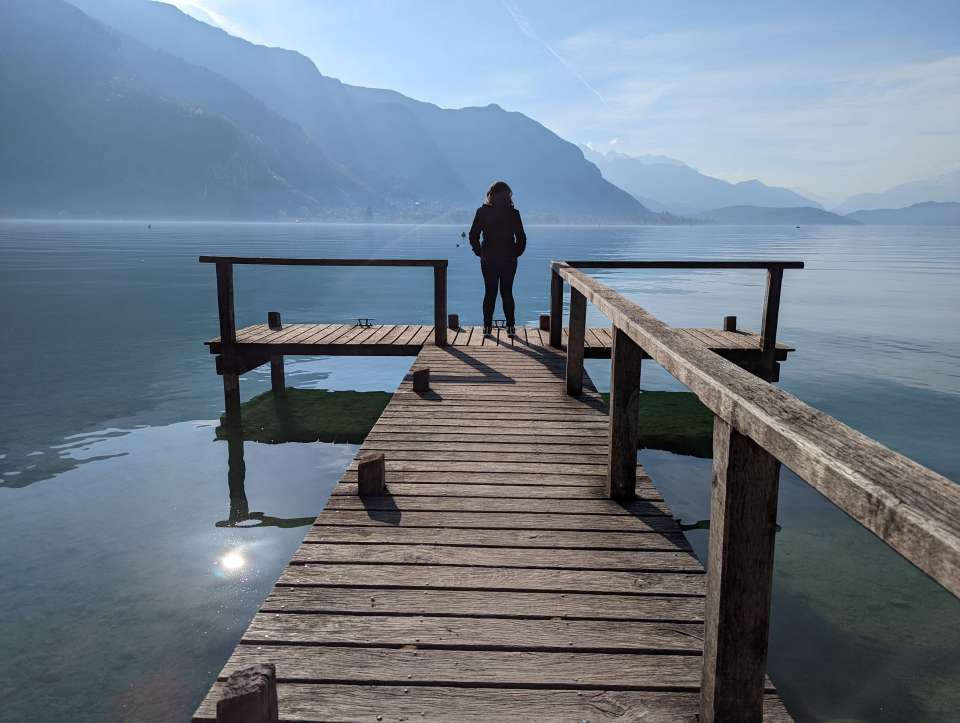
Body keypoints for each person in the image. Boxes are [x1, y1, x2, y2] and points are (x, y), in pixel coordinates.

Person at [468, 180, 527, 336]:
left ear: (491, 195)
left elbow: (473, 236)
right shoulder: (514, 214)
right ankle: (510, 327)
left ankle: (487, 328)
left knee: (490, 292)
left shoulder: (482, 212)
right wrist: (515, 254)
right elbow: (521, 239)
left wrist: (480, 252)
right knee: (507, 292)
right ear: (508, 196)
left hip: (489, 259)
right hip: (508, 259)